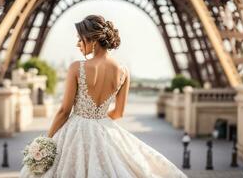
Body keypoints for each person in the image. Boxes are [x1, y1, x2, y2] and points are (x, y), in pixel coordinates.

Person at [20, 15, 187, 178]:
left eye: (80, 39)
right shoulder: (123, 71)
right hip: (105, 129)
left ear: (92, 40)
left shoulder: (76, 68)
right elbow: (119, 113)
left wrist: (46, 142)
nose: (78, 44)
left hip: (74, 132)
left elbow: (64, 111)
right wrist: (98, 122)